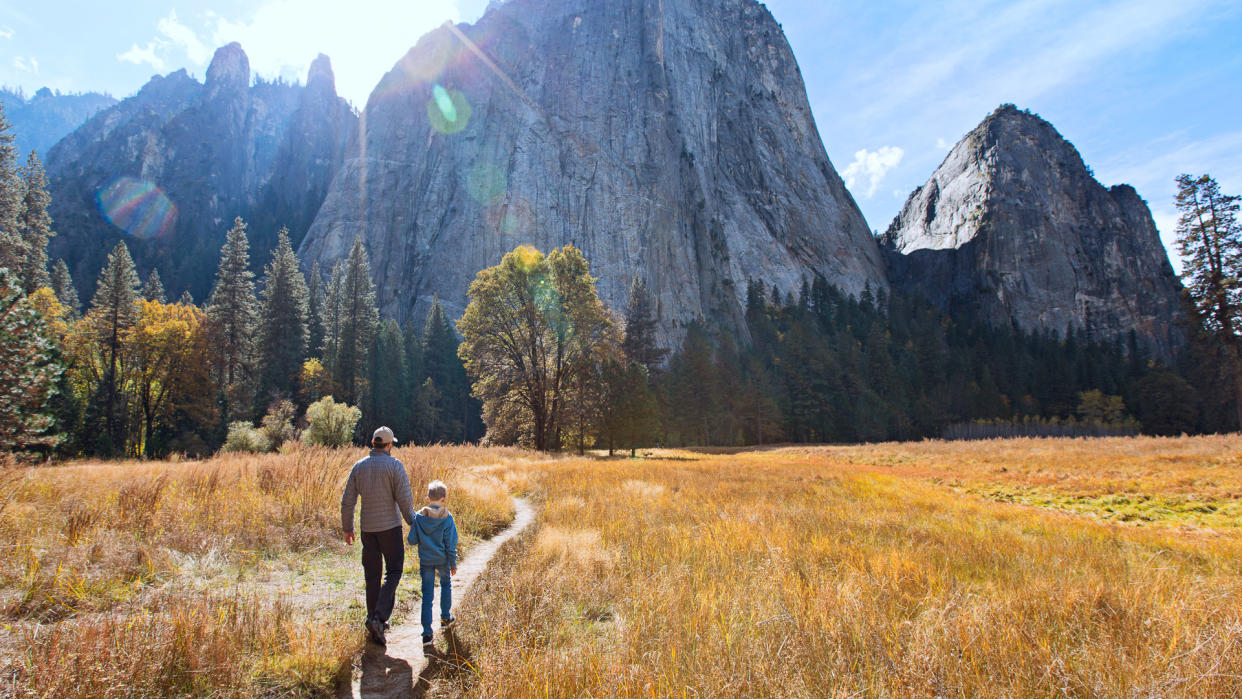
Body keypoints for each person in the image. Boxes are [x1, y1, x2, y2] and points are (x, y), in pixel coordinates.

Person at [340, 426, 415, 646]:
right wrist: (414, 524)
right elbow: (405, 500)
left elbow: (348, 500)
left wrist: (347, 528)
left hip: (368, 530)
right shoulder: (394, 466)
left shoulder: (359, 467)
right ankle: (379, 617)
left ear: (373, 443)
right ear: (389, 445)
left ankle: (372, 618)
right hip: (390, 528)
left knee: (372, 575)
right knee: (394, 570)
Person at [408, 480, 459, 645]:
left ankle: (427, 634)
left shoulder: (419, 517)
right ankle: (445, 617)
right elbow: (451, 543)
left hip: (426, 561)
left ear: (428, 499)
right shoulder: (447, 518)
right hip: (443, 560)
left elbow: (411, 540)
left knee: (427, 595)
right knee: (446, 585)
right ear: (443, 499)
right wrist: (453, 562)